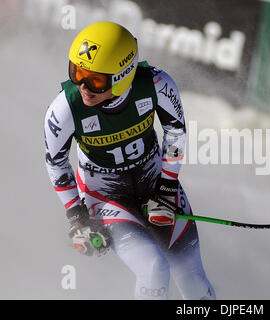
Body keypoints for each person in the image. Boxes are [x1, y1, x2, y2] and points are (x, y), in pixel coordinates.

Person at [44, 21, 216, 300]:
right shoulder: (65, 108)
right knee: (153, 268)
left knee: (191, 277)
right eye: (77, 73)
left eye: (96, 80)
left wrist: (167, 188)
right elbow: (56, 162)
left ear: (123, 75)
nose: (84, 86)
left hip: (156, 185)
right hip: (106, 197)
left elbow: (176, 131)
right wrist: (77, 216)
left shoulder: (157, 84)